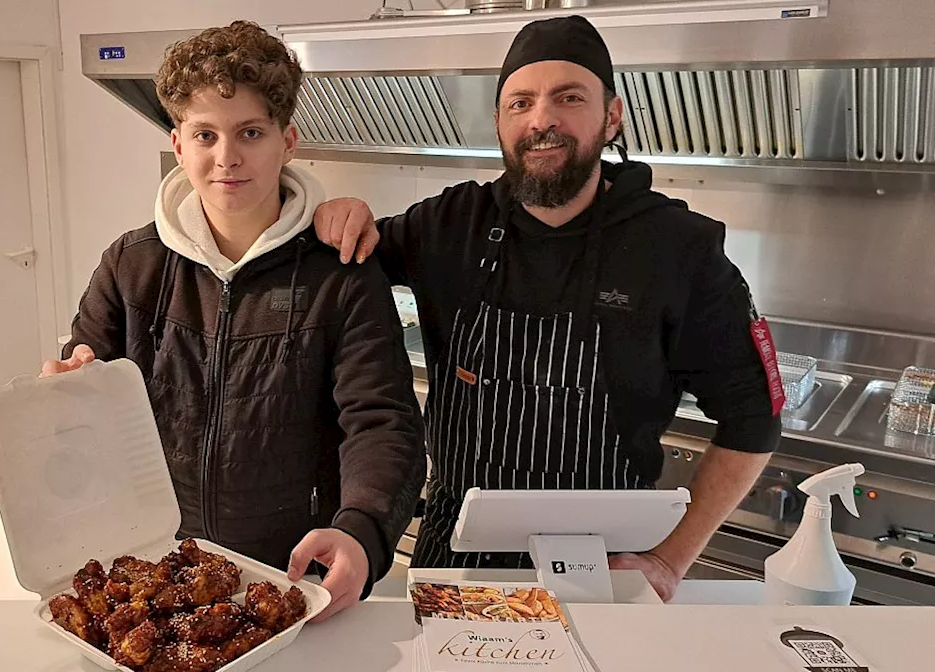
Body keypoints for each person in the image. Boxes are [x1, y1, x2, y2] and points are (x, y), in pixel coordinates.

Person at [313, 15, 782, 601]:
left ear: (611, 116)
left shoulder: (679, 250)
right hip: (456, 552)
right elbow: (337, 264)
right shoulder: (447, 225)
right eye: (521, 102)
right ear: (500, 122)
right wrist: (333, 212)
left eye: (569, 97)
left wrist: (667, 560)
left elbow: (755, 418)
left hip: (607, 563)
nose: (542, 120)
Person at [44, 21, 426, 622]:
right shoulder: (131, 264)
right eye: (205, 134)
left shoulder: (342, 274)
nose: (227, 158)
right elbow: (84, 387)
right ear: (178, 145)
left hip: (297, 576)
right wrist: (68, 388)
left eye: (250, 132)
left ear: (287, 141)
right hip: (159, 572)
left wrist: (363, 531)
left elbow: (382, 423)